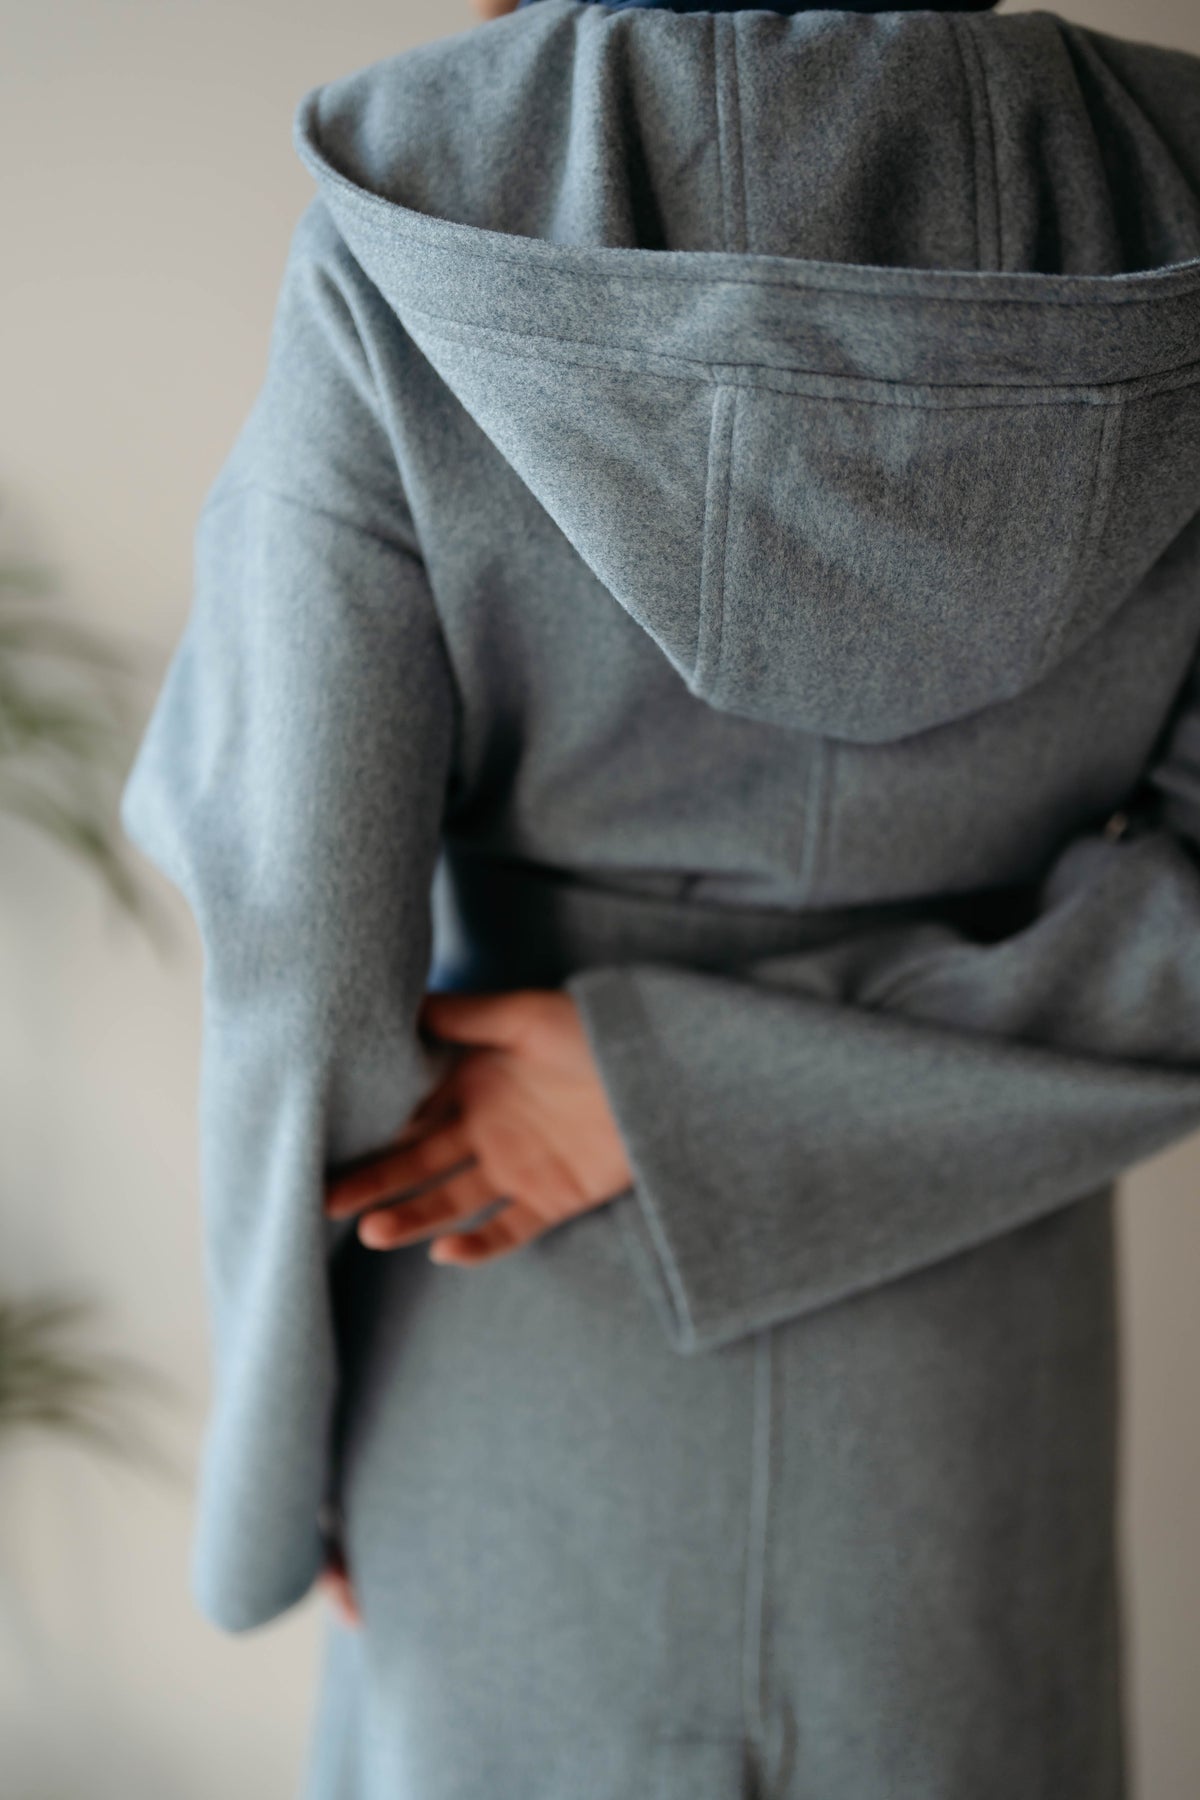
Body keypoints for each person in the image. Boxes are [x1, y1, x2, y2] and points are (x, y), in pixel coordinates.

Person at [119, 0, 1200, 1793]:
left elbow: (300, 947)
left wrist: (266, 1499)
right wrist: (729, 1099)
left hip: (500, 1306)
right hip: (955, 1385)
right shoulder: (1167, 185)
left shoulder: (426, 196)